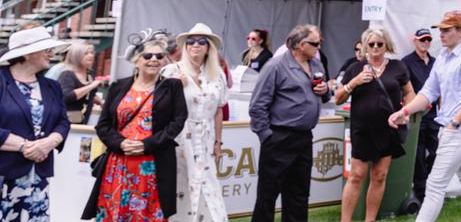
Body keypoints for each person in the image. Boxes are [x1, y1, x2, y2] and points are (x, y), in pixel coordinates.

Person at [389, 11, 461, 222]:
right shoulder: (444, 58)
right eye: (440, 30)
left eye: (446, 30)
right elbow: (428, 92)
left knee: (434, 185)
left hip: (459, 130)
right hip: (451, 129)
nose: (441, 35)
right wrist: (405, 111)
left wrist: (454, 124)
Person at [84, 29, 188, 221]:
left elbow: (178, 122)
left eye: (160, 56)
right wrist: (120, 143)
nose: (154, 59)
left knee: (148, 213)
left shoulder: (172, 86)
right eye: (148, 55)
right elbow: (104, 125)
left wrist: (146, 144)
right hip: (119, 162)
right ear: (136, 60)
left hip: (153, 163)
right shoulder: (118, 86)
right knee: (116, 212)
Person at [248, 24, 330, 222]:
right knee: (268, 195)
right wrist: (267, 136)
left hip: (303, 137)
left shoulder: (317, 65)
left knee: (299, 195)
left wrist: (326, 90)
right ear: (302, 44)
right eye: (316, 43)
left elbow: (325, 97)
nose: (319, 47)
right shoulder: (275, 66)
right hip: (279, 137)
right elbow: (257, 106)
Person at [334, 27, 412, 222]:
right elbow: (337, 98)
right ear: (365, 47)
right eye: (371, 44)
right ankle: (346, 220)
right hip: (362, 129)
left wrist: (405, 112)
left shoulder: (398, 67)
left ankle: (370, 220)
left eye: (380, 43)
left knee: (379, 175)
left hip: (387, 129)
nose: (376, 47)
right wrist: (354, 82)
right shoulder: (355, 68)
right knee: (356, 176)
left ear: (386, 45)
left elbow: (410, 93)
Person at [0, 26, 71, 221]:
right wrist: (24, 146)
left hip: (37, 177)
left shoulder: (52, 86)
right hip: (4, 174)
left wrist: (48, 143)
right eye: (46, 49)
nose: (52, 53)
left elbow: (63, 122)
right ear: (28, 53)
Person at [162, 23, 228, 222]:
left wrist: (218, 142)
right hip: (178, 138)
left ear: (209, 47)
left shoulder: (218, 76)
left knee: (208, 186)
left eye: (201, 41)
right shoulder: (171, 71)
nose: (195, 45)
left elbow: (218, 111)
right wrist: (175, 86)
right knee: (179, 186)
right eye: (191, 41)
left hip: (206, 140)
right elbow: (158, 107)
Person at [401, 28, 438, 203]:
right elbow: (405, 90)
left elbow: (441, 88)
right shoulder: (406, 62)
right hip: (417, 115)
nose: (425, 42)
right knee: (418, 153)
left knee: (436, 151)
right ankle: (420, 190)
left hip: (434, 115)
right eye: (422, 39)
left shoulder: (436, 62)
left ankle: (432, 188)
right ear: (414, 40)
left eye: (428, 39)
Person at [58, 39, 107, 124]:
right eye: (86, 53)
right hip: (66, 120)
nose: (91, 55)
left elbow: (89, 94)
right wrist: (91, 86)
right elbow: (67, 97)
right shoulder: (67, 74)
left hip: (83, 118)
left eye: (92, 53)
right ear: (76, 56)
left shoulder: (90, 74)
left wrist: (102, 102)